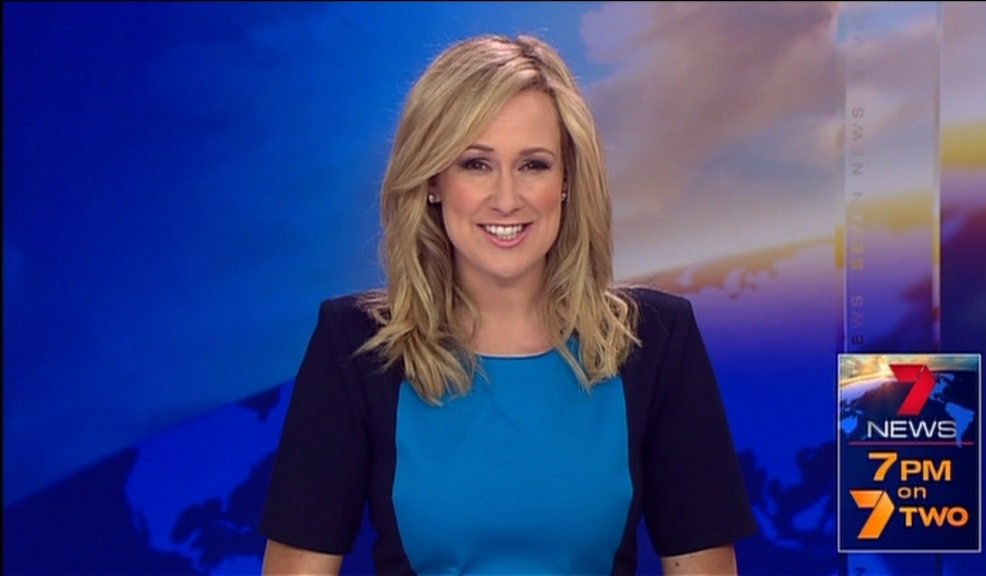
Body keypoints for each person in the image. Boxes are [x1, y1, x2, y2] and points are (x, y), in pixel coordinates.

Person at [260, 33, 757, 575]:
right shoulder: (355, 345)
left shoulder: (656, 341)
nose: (506, 198)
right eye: (476, 164)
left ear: (566, 181)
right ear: (433, 180)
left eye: (533, 165)